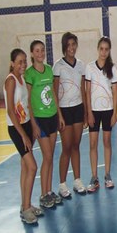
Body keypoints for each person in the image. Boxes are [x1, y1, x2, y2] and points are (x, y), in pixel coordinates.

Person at [4, 48, 43, 224]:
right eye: (19, 62)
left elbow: (27, 105)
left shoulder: (22, 79)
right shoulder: (11, 81)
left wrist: (33, 126)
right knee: (33, 167)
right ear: (12, 63)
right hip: (16, 128)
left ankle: (25, 204)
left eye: (25, 61)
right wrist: (23, 136)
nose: (23, 64)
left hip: (27, 124)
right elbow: (11, 112)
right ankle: (26, 209)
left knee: (25, 168)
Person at [25, 40, 65, 208]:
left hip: (52, 117)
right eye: (37, 51)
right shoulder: (29, 74)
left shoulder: (49, 70)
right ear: (32, 54)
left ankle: (49, 191)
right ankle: (43, 195)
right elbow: (27, 101)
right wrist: (33, 124)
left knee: (51, 158)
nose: (40, 53)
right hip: (40, 120)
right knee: (47, 157)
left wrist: (60, 115)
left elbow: (53, 95)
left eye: (42, 50)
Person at [53, 32, 87, 198]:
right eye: (69, 45)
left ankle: (77, 180)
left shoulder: (81, 65)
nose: (71, 48)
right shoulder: (58, 66)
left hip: (78, 108)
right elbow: (54, 92)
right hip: (64, 110)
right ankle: (62, 183)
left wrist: (86, 113)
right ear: (64, 47)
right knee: (66, 147)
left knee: (76, 145)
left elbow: (83, 89)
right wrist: (59, 115)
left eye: (74, 44)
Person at [85, 36, 117, 192]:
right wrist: (89, 113)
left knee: (106, 142)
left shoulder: (113, 68)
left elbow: (116, 92)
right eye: (101, 49)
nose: (104, 52)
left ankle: (107, 174)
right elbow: (87, 91)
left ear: (109, 50)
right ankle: (94, 176)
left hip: (108, 110)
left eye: (106, 49)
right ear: (98, 49)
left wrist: (115, 113)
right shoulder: (90, 67)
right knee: (92, 144)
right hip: (94, 112)